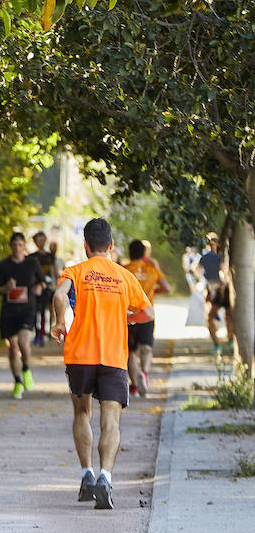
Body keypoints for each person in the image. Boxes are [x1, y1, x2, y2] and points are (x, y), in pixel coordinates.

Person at [53, 218, 152, 510]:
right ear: (110, 246)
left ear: (85, 246)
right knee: (111, 420)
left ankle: (87, 474)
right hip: (112, 358)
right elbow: (147, 312)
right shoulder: (124, 275)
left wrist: (60, 322)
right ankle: (105, 478)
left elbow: (59, 295)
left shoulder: (74, 271)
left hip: (80, 356)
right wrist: (127, 318)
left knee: (82, 413)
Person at [0, 231, 47, 399]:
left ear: (24, 246)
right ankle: (17, 382)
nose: (17, 248)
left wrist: (40, 287)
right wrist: (6, 288)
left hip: (27, 309)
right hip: (9, 312)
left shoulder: (32, 263)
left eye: (20, 245)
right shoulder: (3, 265)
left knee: (24, 343)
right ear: (10, 247)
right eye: (14, 245)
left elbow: (43, 281)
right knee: (13, 348)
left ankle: (26, 369)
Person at [121, 239, 171, 396]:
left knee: (131, 352)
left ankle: (134, 385)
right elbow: (167, 287)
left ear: (130, 253)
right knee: (146, 348)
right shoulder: (152, 269)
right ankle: (144, 373)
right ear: (144, 254)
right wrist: (154, 292)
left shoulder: (124, 270)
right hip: (147, 313)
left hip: (129, 315)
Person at [198, 232, 231, 351]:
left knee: (209, 317)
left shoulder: (205, 257)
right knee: (229, 317)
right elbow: (224, 273)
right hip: (224, 288)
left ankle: (218, 345)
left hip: (214, 288)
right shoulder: (224, 255)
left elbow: (196, 269)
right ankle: (231, 342)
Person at [31, 231, 58, 345]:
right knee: (35, 310)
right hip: (35, 288)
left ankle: (43, 333)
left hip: (47, 287)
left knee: (45, 311)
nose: (41, 242)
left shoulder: (50, 256)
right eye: (38, 240)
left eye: (43, 240)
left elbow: (54, 272)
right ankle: (37, 333)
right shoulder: (32, 257)